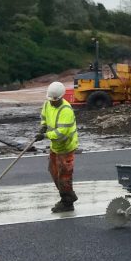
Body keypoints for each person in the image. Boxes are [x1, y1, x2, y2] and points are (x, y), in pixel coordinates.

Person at [35, 81, 79, 213]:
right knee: (53, 170)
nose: (52, 102)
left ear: (61, 97)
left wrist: (45, 136)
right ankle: (68, 195)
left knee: (64, 175)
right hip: (55, 146)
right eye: (50, 100)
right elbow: (44, 116)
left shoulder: (66, 110)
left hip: (66, 146)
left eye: (55, 100)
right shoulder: (48, 103)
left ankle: (67, 202)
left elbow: (61, 133)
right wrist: (43, 125)